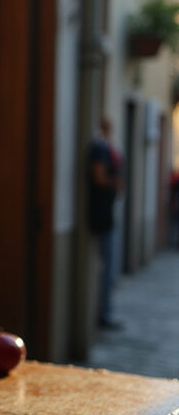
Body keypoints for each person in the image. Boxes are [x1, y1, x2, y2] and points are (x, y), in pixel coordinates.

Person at [88, 117, 123, 330]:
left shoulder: (103, 147)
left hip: (105, 214)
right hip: (101, 216)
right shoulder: (100, 148)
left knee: (109, 266)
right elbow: (99, 177)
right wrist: (115, 183)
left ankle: (105, 311)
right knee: (107, 267)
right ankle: (104, 313)